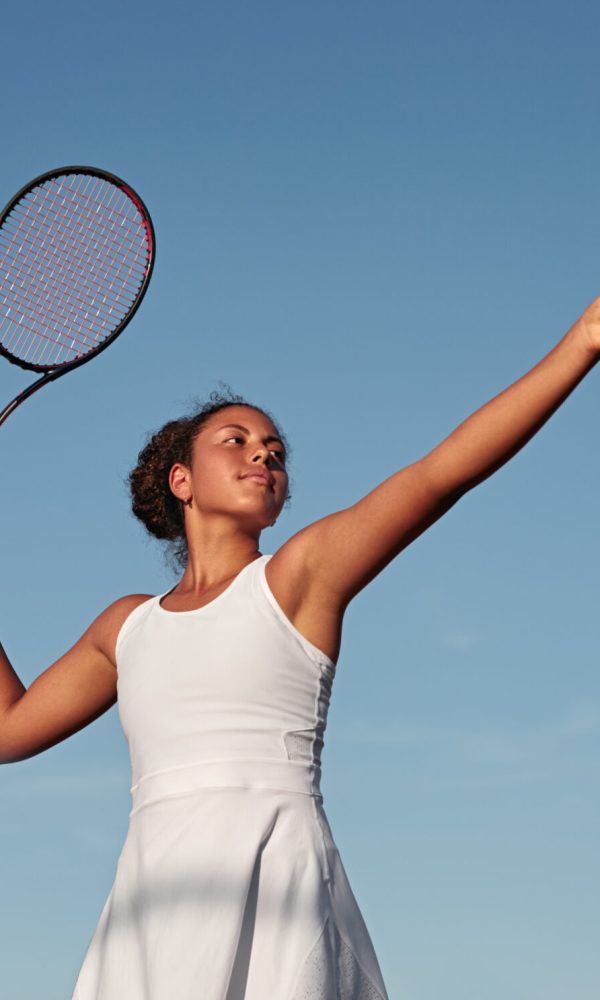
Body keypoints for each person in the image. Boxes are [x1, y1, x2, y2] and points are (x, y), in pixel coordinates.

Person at [1, 299, 599, 999]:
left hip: (278, 885)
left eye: (276, 450)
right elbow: (9, 730)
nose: (265, 452)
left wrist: (583, 343)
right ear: (181, 480)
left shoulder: (297, 577)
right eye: (237, 439)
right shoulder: (125, 626)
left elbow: (440, 474)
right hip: (153, 901)